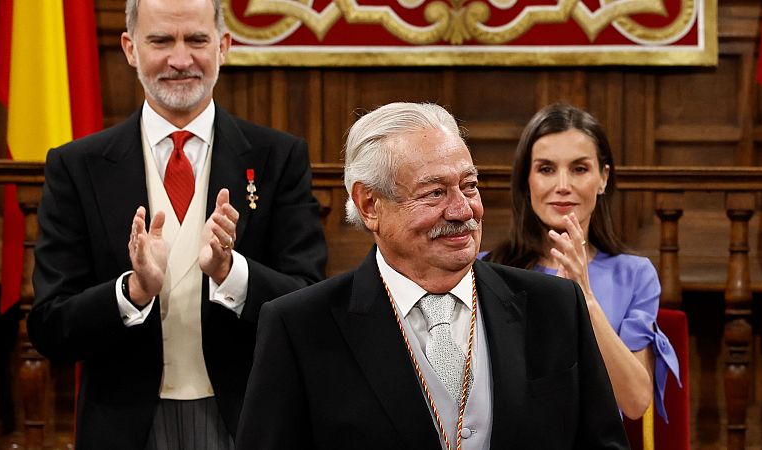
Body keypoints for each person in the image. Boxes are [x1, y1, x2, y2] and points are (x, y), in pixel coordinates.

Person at [235, 102, 629, 449]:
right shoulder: (300, 328)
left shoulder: (555, 305)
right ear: (370, 204)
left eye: (469, 186)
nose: (462, 211)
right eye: (434, 193)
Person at [28, 0, 327, 448]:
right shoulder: (77, 166)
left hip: (245, 419)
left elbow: (309, 304)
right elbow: (50, 328)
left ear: (223, 45)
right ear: (130, 49)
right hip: (124, 427)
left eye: (197, 40)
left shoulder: (277, 158)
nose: (181, 59)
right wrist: (132, 292)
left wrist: (232, 274)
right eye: (161, 40)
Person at [486, 103, 680, 421]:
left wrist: (584, 297)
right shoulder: (488, 271)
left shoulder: (635, 275)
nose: (563, 184)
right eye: (546, 169)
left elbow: (635, 402)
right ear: (526, 180)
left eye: (579, 169)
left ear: (603, 178)